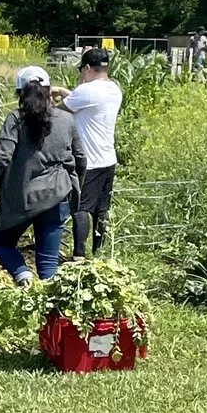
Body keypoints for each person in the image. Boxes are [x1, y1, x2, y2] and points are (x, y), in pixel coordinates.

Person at [0, 64, 79, 284]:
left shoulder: (16, 120)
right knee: (48, 263)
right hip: (57, 195)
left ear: (20, 93)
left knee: (2, 244)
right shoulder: (67, 120)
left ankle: (23, 276)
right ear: (49, 90)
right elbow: (80, 157)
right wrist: (75, 188)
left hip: (21, 198)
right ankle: (48, 309)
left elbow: (2, 156)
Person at [65, 46, 124, 256]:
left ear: (88, 68)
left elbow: (62, 110)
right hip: (108, 159)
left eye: (82, 69)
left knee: (80, 209)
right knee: (102, 209)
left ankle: (79, 255)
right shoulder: (114, 89)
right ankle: (99, 253)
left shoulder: (86, 90)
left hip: (88, 161)